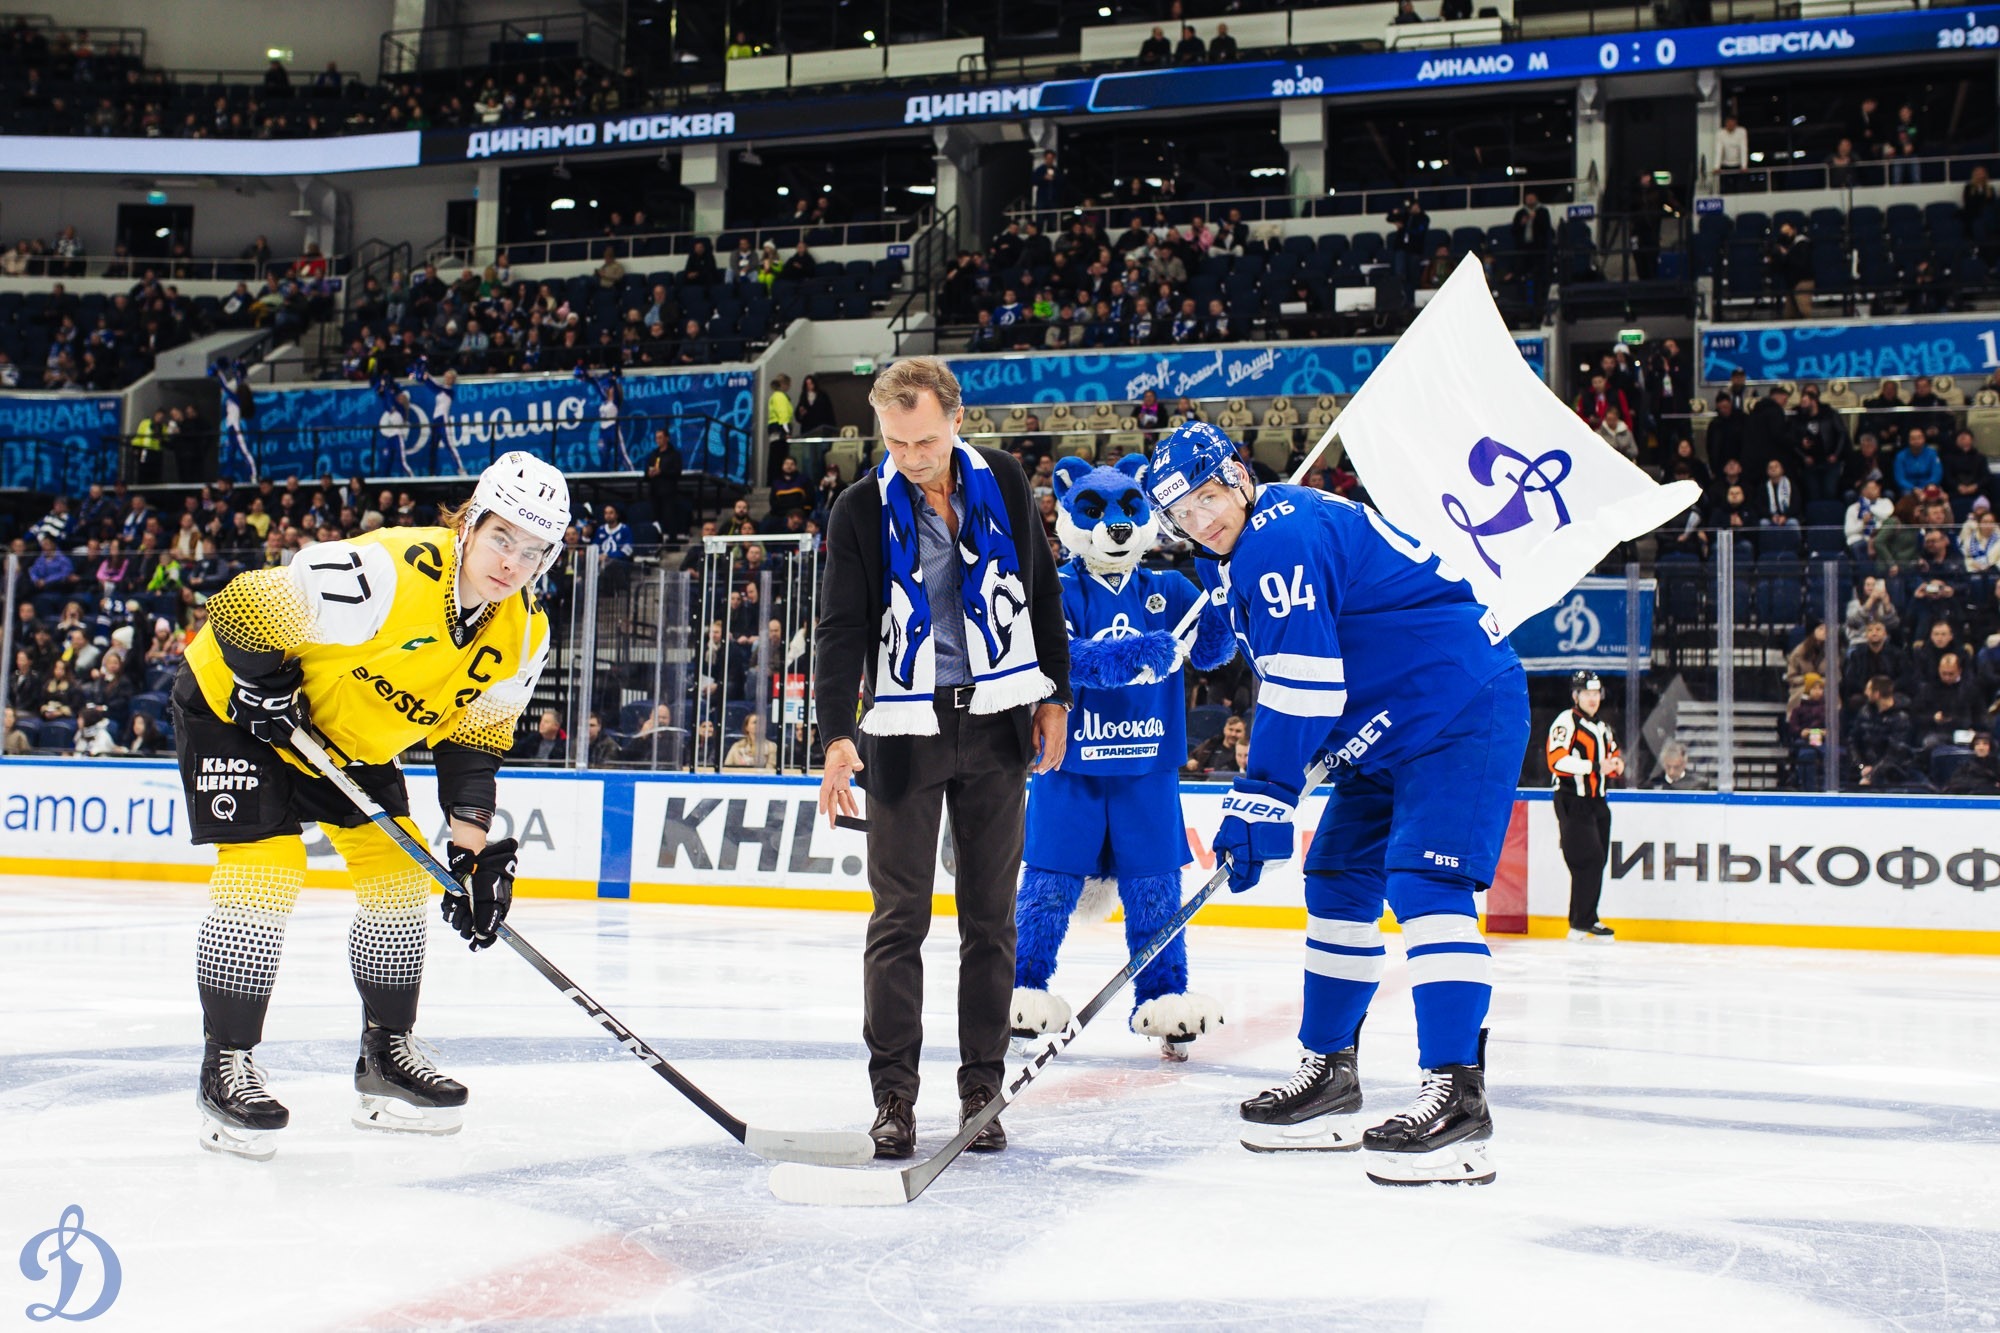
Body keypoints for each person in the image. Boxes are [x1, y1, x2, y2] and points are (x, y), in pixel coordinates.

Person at [1144, 420, 1527, 1186]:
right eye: (1184, 515)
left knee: (1425, 883)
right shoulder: (1255, 548)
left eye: (1211, 497)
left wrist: (1263, 794)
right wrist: (1287, 782)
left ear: (1239, 476)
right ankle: (1330, 1076)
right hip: (1387, 731)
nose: (1203, 520)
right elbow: (1324, 680)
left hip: (1458, 707)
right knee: (1340, 880)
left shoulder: (1280, 537)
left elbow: (1303, 683)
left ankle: (1458, 1095)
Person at [171, 451, 566, 1161]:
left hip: (343, 738)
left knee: (398, 875)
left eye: (534, 550)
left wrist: (471, 854)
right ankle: (225, 1062)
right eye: (503, 536)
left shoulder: (523, 635)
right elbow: (237, 607)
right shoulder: (386, 572)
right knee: (268, 867)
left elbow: (472, 746)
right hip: (234, 707)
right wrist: (264, 680)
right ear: (470, 522)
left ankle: (386, 1056)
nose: (514, 561)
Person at [814, 357, 1072, 1161]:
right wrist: (835, 732)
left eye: (924, 439)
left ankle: (981, 1092)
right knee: (899, 920)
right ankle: (894, 1097)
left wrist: (1054, 694)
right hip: (901, 727)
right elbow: (840, 628)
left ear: (956, 419)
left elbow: (1039, 587)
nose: (910, 456)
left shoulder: (1000, 479)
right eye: (895, 442)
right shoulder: (860, 508)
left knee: (990, 921)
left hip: (996, 722)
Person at [1547, 670, 1622, 941]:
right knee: (1587, 858)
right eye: (1587, 693)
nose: (1593, 699)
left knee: (1597, 860)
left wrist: (1615, 765)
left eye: (1596, 693)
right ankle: (1581, 922)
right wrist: (1594, 766)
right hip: (1572, 799)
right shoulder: (1566, 722)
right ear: (1576, 695)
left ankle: (1585, 919)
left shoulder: (1602, 727)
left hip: (1598, 801)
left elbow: (1613, 756)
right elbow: (1556, 760)